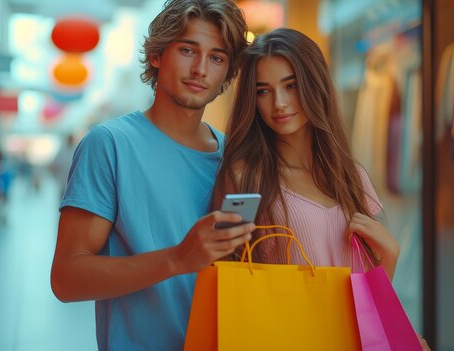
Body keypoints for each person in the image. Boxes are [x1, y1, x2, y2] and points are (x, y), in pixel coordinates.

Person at [49, 1, 251, 350]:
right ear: (157, 55)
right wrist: (177, 259)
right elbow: (66, 279)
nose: (201, 69)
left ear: (227, 73)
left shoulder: (234, 156)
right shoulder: (110, 145)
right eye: (188, 50)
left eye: (217, 58)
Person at [212, 28, 430, 350]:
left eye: (291, 85)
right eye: (263, 91)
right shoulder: (246, 176)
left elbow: (369, 296)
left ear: (314, 84)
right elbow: (227, 275)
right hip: (286, 339)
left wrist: (390, 255)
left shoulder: (352, 176)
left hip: (353, 339)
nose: (279, 103)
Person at [49, 133, 77, 199]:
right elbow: (54, 164)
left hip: (73, 182)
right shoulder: (62, 150)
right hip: (62, 180)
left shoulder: (75, 149)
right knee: (62, 198)